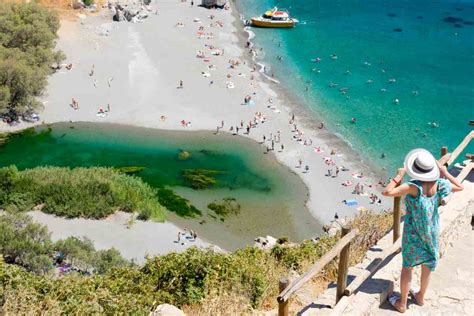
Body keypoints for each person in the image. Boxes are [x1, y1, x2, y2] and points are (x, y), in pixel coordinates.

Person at [382, 148, 463, 313]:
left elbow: (387, 192)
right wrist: (444, 172)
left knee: (408, 267)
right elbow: (459, 187)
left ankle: (402, 303)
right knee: (427, 263)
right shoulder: (439, 184)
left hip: (413, 233)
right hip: (431, 231)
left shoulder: (412, 187)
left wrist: (399, 175)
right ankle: (420, 296)